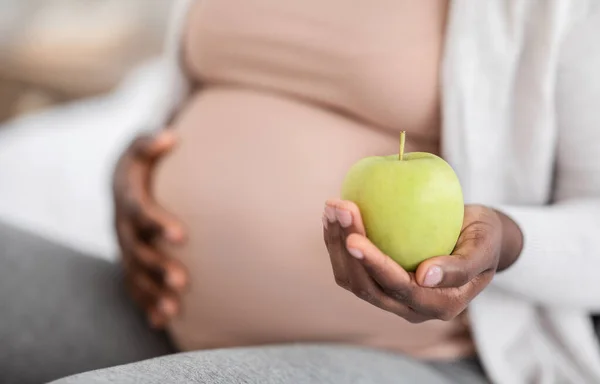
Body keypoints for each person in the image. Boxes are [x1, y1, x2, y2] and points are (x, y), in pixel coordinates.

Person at [2, 0, 600, 383]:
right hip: (160, 311)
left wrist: (507, 241)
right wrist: (131, 171)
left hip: (421, 359)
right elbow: (188, 92)